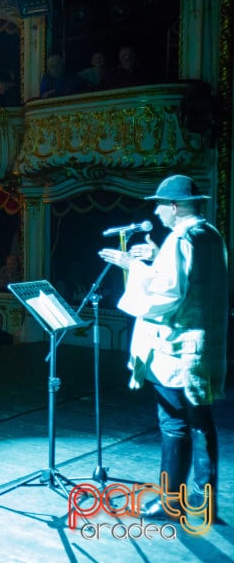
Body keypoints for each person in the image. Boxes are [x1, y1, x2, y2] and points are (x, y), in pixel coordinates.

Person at [98, 175, 227, 521]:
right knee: (200, 419)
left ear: (174, 206)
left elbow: (167, 295)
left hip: (176, 348)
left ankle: (171, 502)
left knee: (174, 422)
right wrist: (156, 257)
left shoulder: (181, 238)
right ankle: (203, 499)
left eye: (160, 205)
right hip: (201, 345)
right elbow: (188, 282)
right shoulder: (209, 235)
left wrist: (133, 266)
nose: (156, 212)